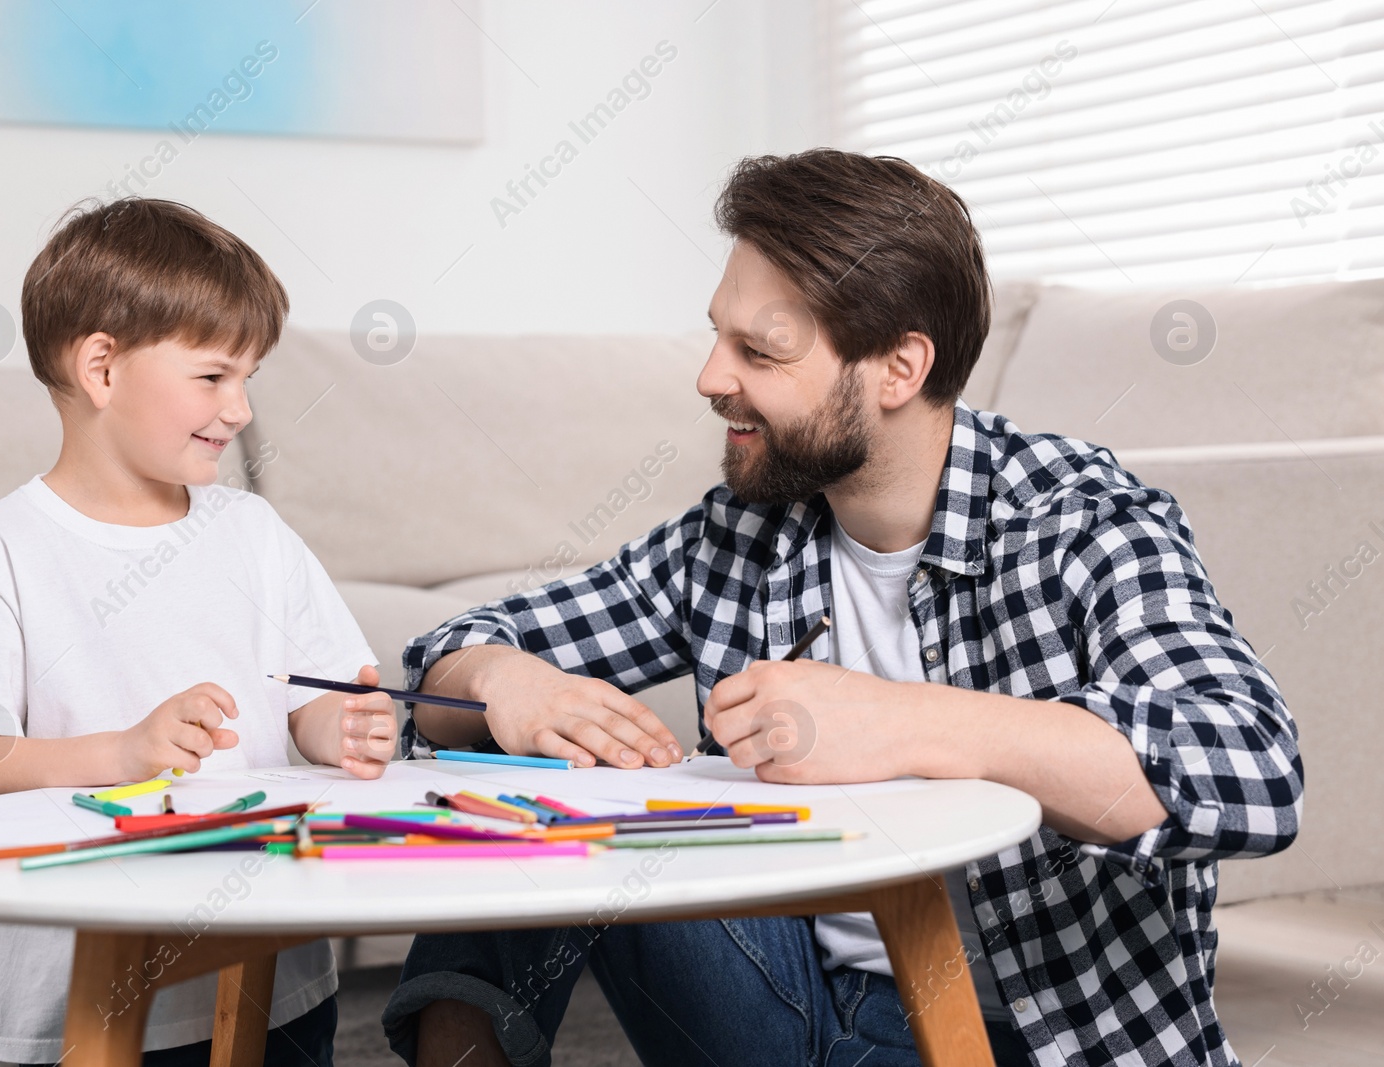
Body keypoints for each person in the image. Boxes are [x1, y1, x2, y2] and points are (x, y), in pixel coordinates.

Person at [381, 151, 1303, 1067]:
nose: (710, 377)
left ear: (898, 368)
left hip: (1035, 1033)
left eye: (760, 351)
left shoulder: (1078, 519)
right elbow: (441, 661)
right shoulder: (743, 531)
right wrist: (506, 684)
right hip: (789, 1000)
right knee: (536, 766)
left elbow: (1250, 770)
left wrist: (900, 722)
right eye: (718, 336)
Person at [0, 198, 398, 1065]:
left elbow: (310, 697)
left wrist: (339, 726)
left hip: (273, 967)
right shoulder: (1, 551)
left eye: (248, 379)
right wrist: (124, 752)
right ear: (102, 368)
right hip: (93, 986)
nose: (238, 409)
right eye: (213, 377)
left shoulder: (254, 532)